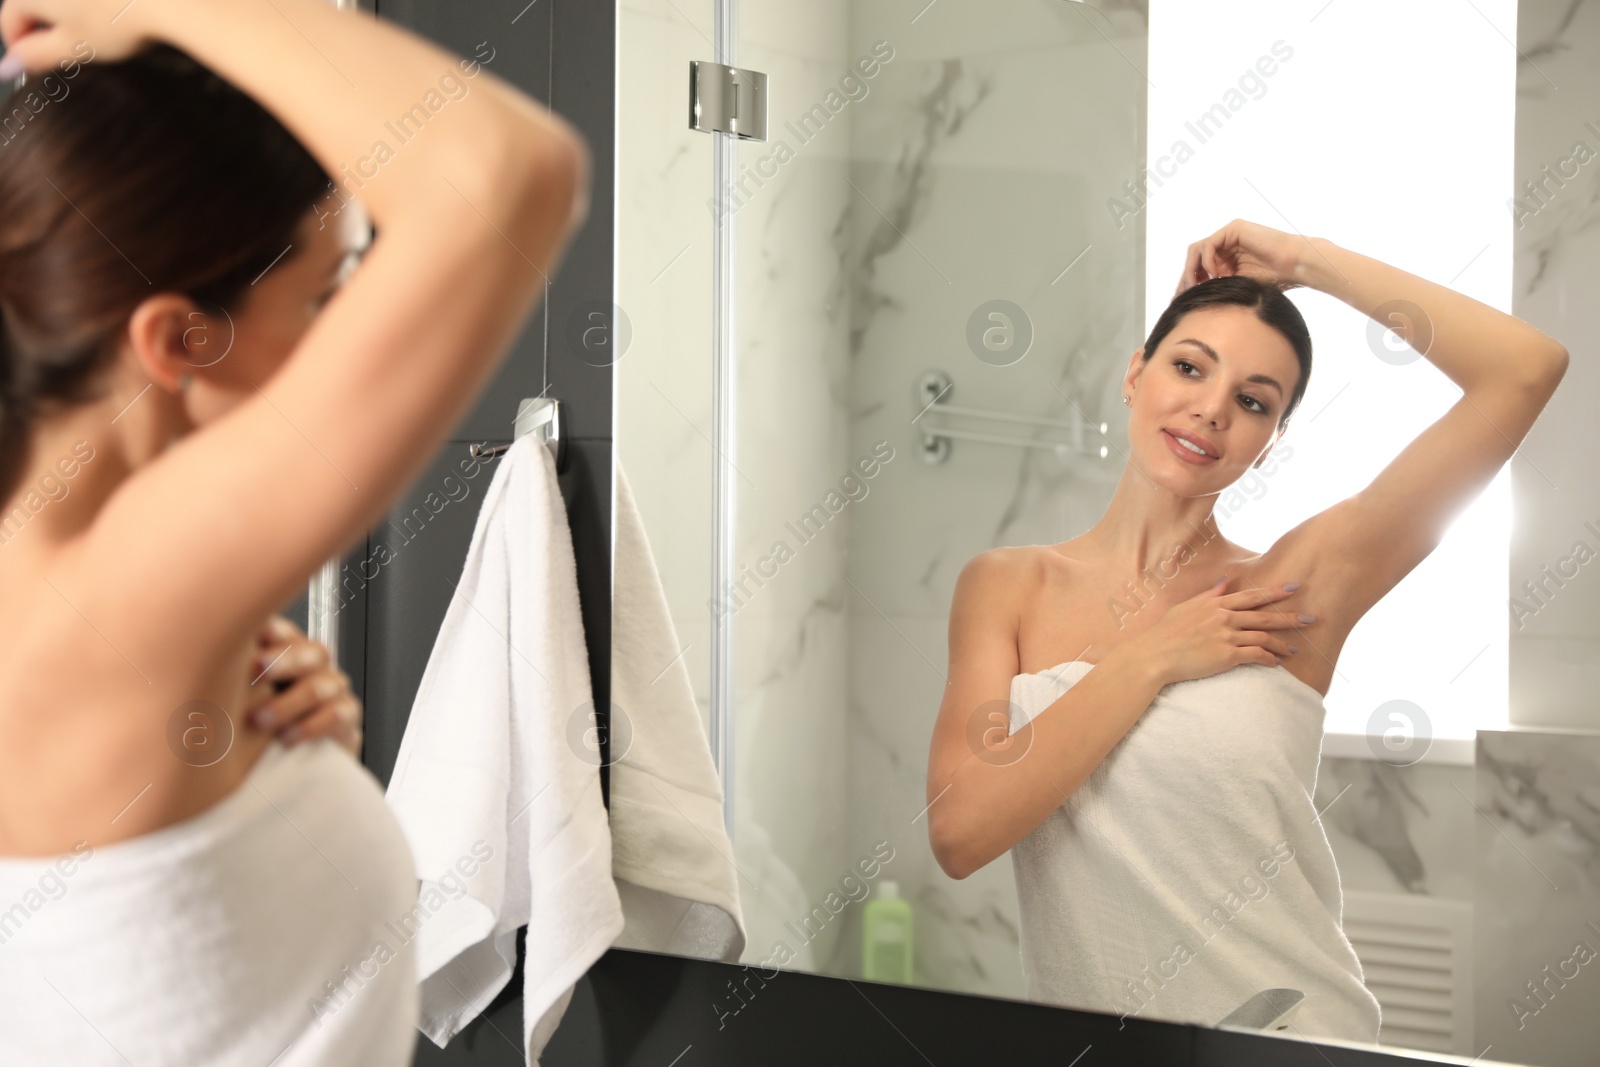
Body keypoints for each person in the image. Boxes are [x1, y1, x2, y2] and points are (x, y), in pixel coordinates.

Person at [0, 0, 588, 1062]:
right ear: (180, 337)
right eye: (327, 296)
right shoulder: (113, 596)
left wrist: (265, 782)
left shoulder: (96, 594)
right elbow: (504, 172)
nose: (353, 336)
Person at [925, 220, 1568, 1041]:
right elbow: (959, 831)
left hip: (1294, 1036)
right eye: (1189, 366)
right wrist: (1156, 655)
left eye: (1254, 400)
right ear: (1135, 373)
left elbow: (1526, 369)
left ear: (1270, 441)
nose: (1211, 408)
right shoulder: (1007, 586)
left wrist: (1305, 263)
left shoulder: (1295, 587)